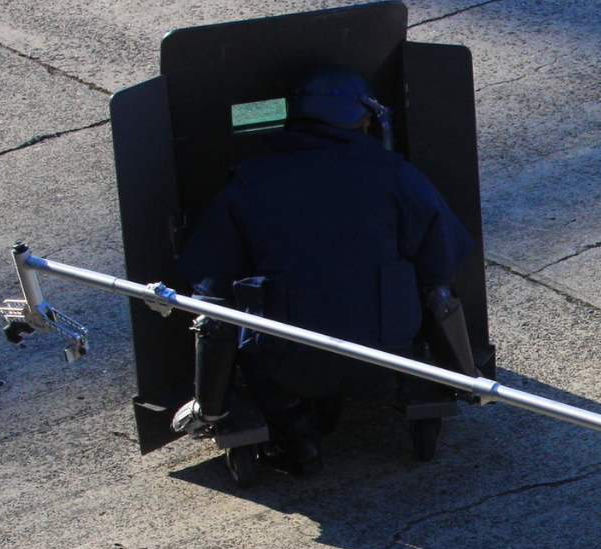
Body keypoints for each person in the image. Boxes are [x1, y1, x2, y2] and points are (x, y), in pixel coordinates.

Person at [174, 64, 476, 475]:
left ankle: (295, 439)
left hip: (288, 363)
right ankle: (455, 383)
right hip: (387, 355)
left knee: (244, 323)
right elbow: (440, 274)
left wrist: (207, 408)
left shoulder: (247, 186)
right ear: (359, 119)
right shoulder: (400, 178)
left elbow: (213, 302)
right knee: (423, 287)